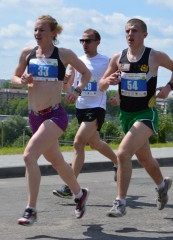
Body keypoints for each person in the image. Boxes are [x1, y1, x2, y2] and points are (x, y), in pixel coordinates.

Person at [11, 15, 91, 226]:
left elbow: (86, 73)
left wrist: (77, 90)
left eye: (42, 30)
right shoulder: (27, 53)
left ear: (53, 33)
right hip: (34, 117)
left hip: (55, 115)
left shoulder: (63, 54)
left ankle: (32, 209)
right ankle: (79, 193)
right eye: (35, 30)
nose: (37, 34)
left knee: (29, 156)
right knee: (57, 162)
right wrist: (23, 80)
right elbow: (15, 77)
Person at [99, 18, 173, 217]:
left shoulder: (154, 56)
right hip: (126, 115)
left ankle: (120, 202)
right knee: (145, 158)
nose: (130, 34)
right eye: (127, 31)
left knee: (122, 153)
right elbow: (101, 84)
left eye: (134, 31)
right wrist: (108, 81)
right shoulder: (118, 58)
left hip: (146, 113)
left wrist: (169, 87)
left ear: (144, 34)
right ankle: (162, 185)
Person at [52, 29, 118, 199]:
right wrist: (66, 84)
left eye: (88, 41)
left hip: (97, 107)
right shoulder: (77, 62)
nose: (85, 44)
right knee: (95, 143)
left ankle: (69, 186)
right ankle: (118, 162)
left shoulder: (106, 61)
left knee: (78, 143)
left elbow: (118, 79)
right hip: (81, 107)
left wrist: (118, 96)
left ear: (98, 42)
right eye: (82, 41)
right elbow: (68, 88)